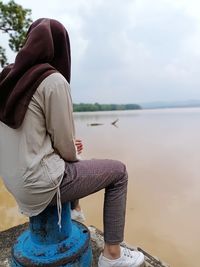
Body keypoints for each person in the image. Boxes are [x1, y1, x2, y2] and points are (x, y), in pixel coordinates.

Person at [0, 18, 145, 267]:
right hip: (40, 184)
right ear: (60, 48)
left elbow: (29, 137)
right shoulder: (52, 80)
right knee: (117, 172)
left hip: (13, 181)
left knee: (72, 160)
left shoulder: (7, 79)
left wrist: (64, 148)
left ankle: (75, 213)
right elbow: (66, 146)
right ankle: (112, 255)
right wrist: (69, 148)